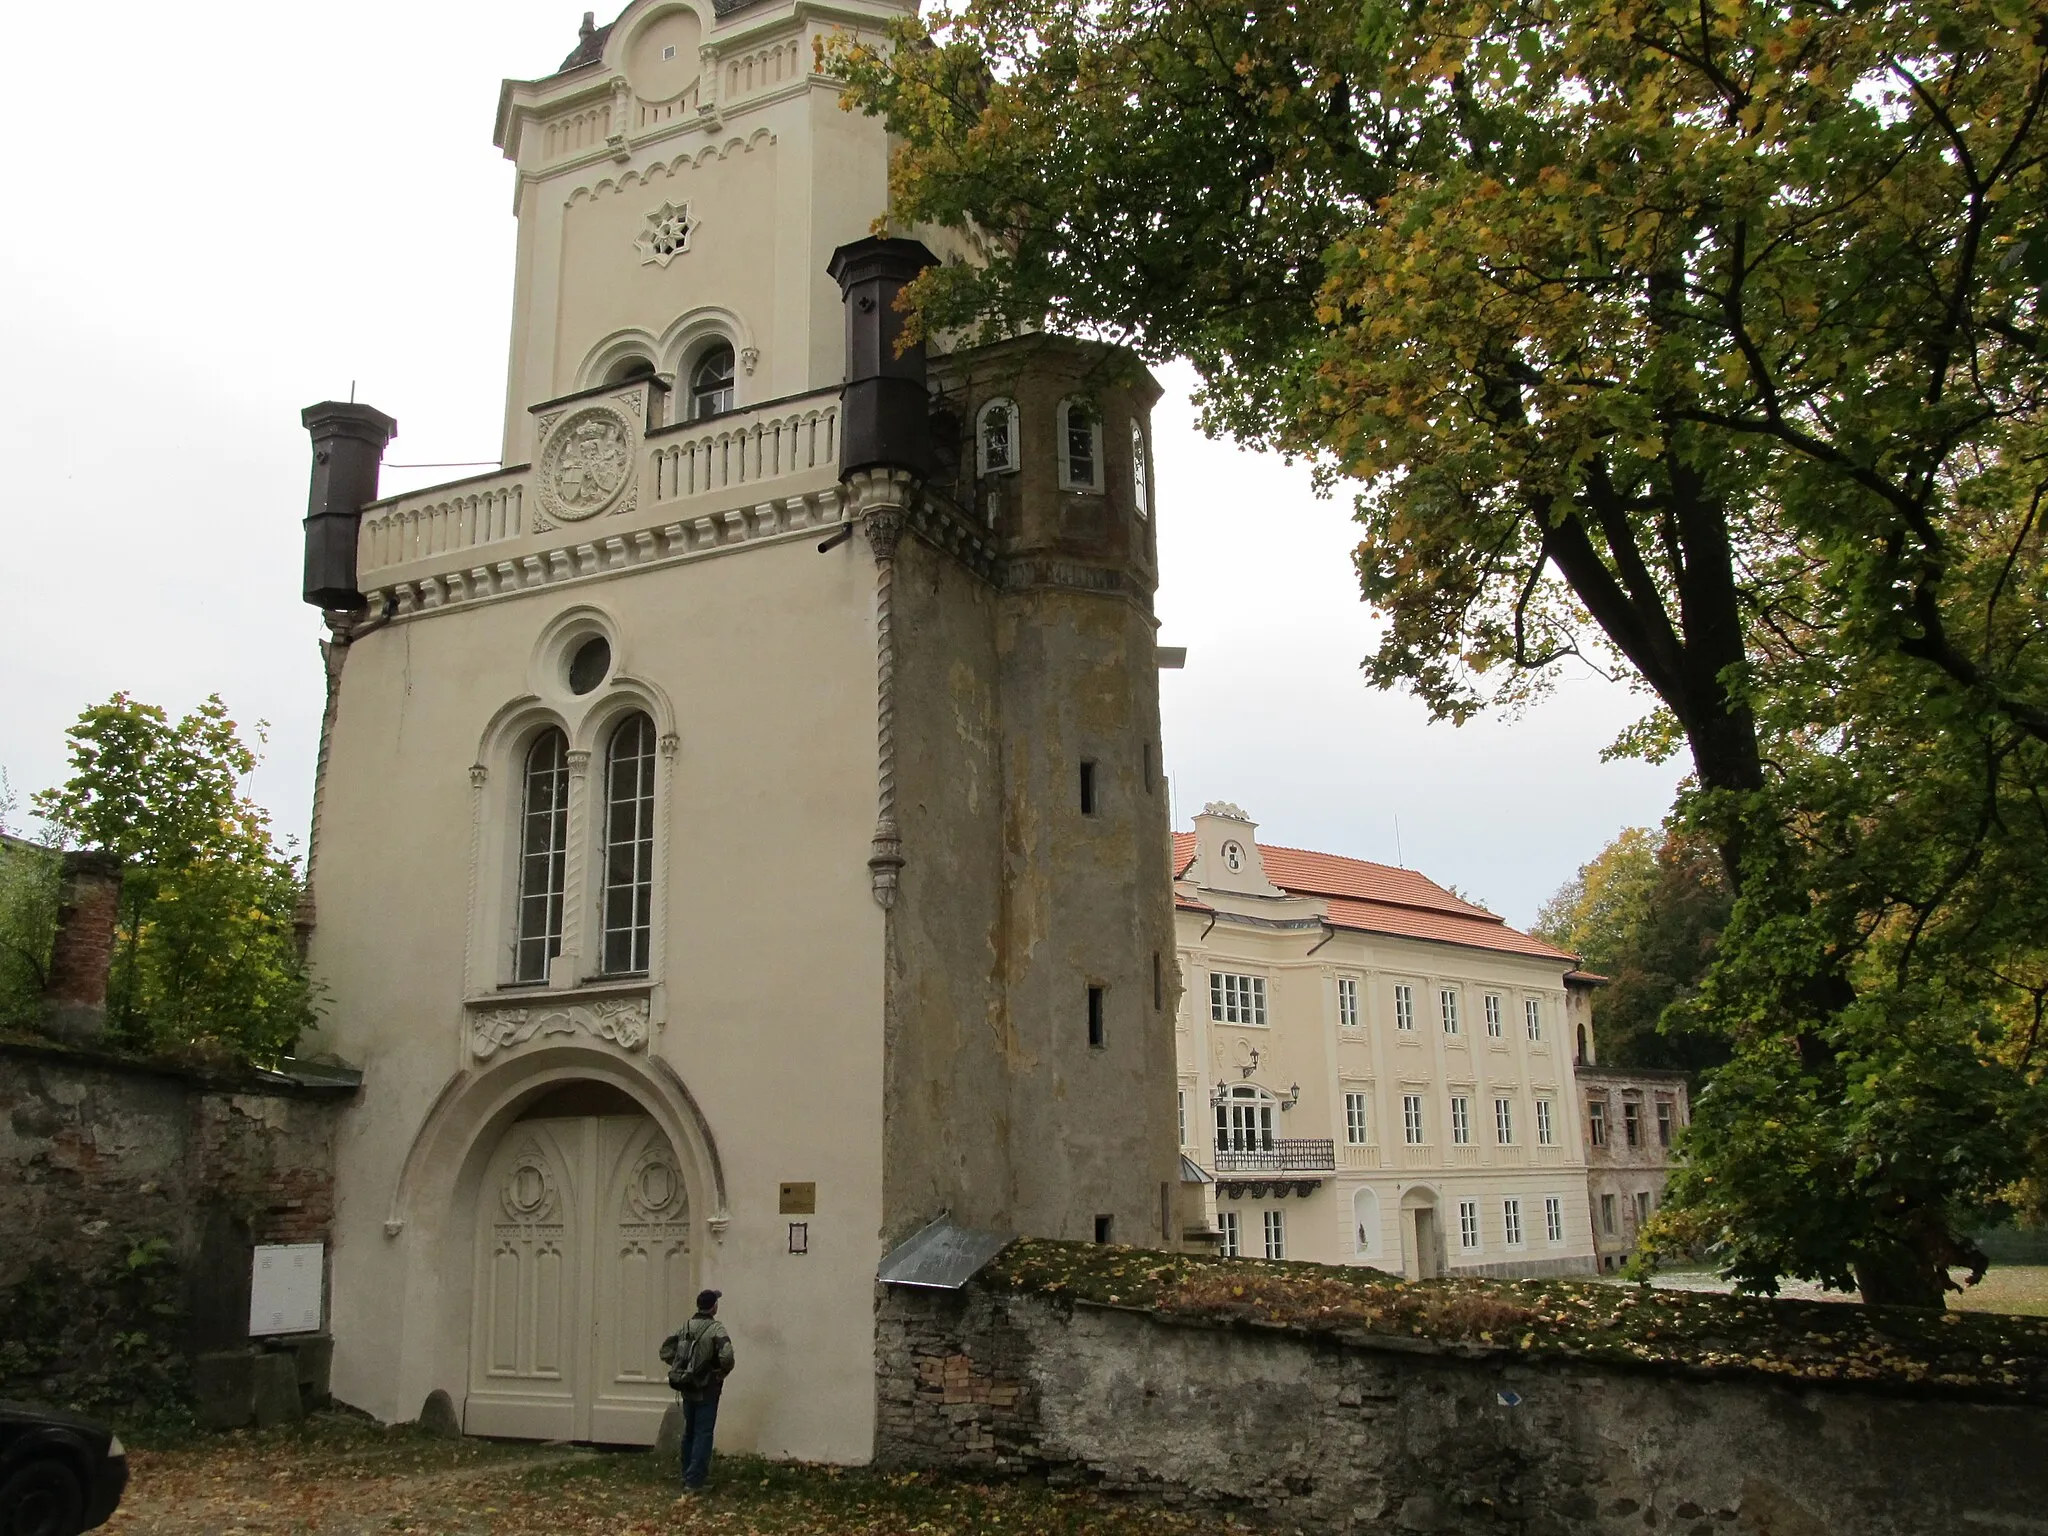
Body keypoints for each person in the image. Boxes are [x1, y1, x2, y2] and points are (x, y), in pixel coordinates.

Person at [660, 1288, 735, 1491]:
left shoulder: (685, 1326)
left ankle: (687, 1475)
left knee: (689, 1432)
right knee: (703, 1433)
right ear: (714, 1307)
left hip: (687, 1387)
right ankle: (695, 1481)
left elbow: (666, 1350)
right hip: (707, 1388)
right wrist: (720, 1372)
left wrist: (680, 1368)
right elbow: (727, 1356)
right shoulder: (716, 1329)